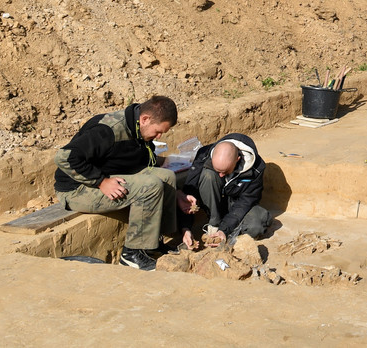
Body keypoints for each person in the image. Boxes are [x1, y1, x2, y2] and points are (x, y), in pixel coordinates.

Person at [53, 95, 189, 271]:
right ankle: (131, 254)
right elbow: (64, 157)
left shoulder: (138, 127)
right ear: (145, 119)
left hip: (108, 176)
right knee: (150, 186)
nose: (159, 136)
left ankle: (153, 243)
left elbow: (140, 159)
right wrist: (101, 181)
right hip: (77, 189)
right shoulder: (108, 130)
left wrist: (176, 190)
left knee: (167, 177)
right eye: (157, 131)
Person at [179, 133, 270, 249]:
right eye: (218, 171)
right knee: (208, 175)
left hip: (236, 206)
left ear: (238, 159)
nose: (221, 175)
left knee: (256, 226)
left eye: (225, 172)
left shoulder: (256, 168)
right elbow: (189, 193)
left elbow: (246, 201)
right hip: (212, 204)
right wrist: (185, 228)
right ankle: (213, 226)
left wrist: (224, 230)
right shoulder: (204, 155)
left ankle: (226, 234)